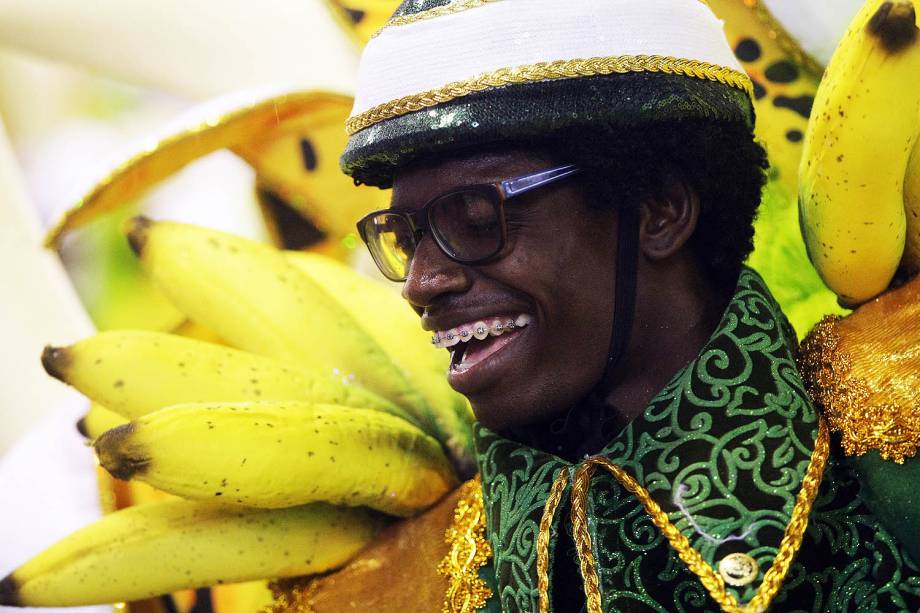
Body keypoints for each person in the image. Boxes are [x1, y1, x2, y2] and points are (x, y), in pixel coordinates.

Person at [311, 0, 920, 611]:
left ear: (659, 210)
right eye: (406, 238)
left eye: (474, 218)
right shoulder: (394, 590)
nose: (420, 283)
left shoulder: (900, 438)